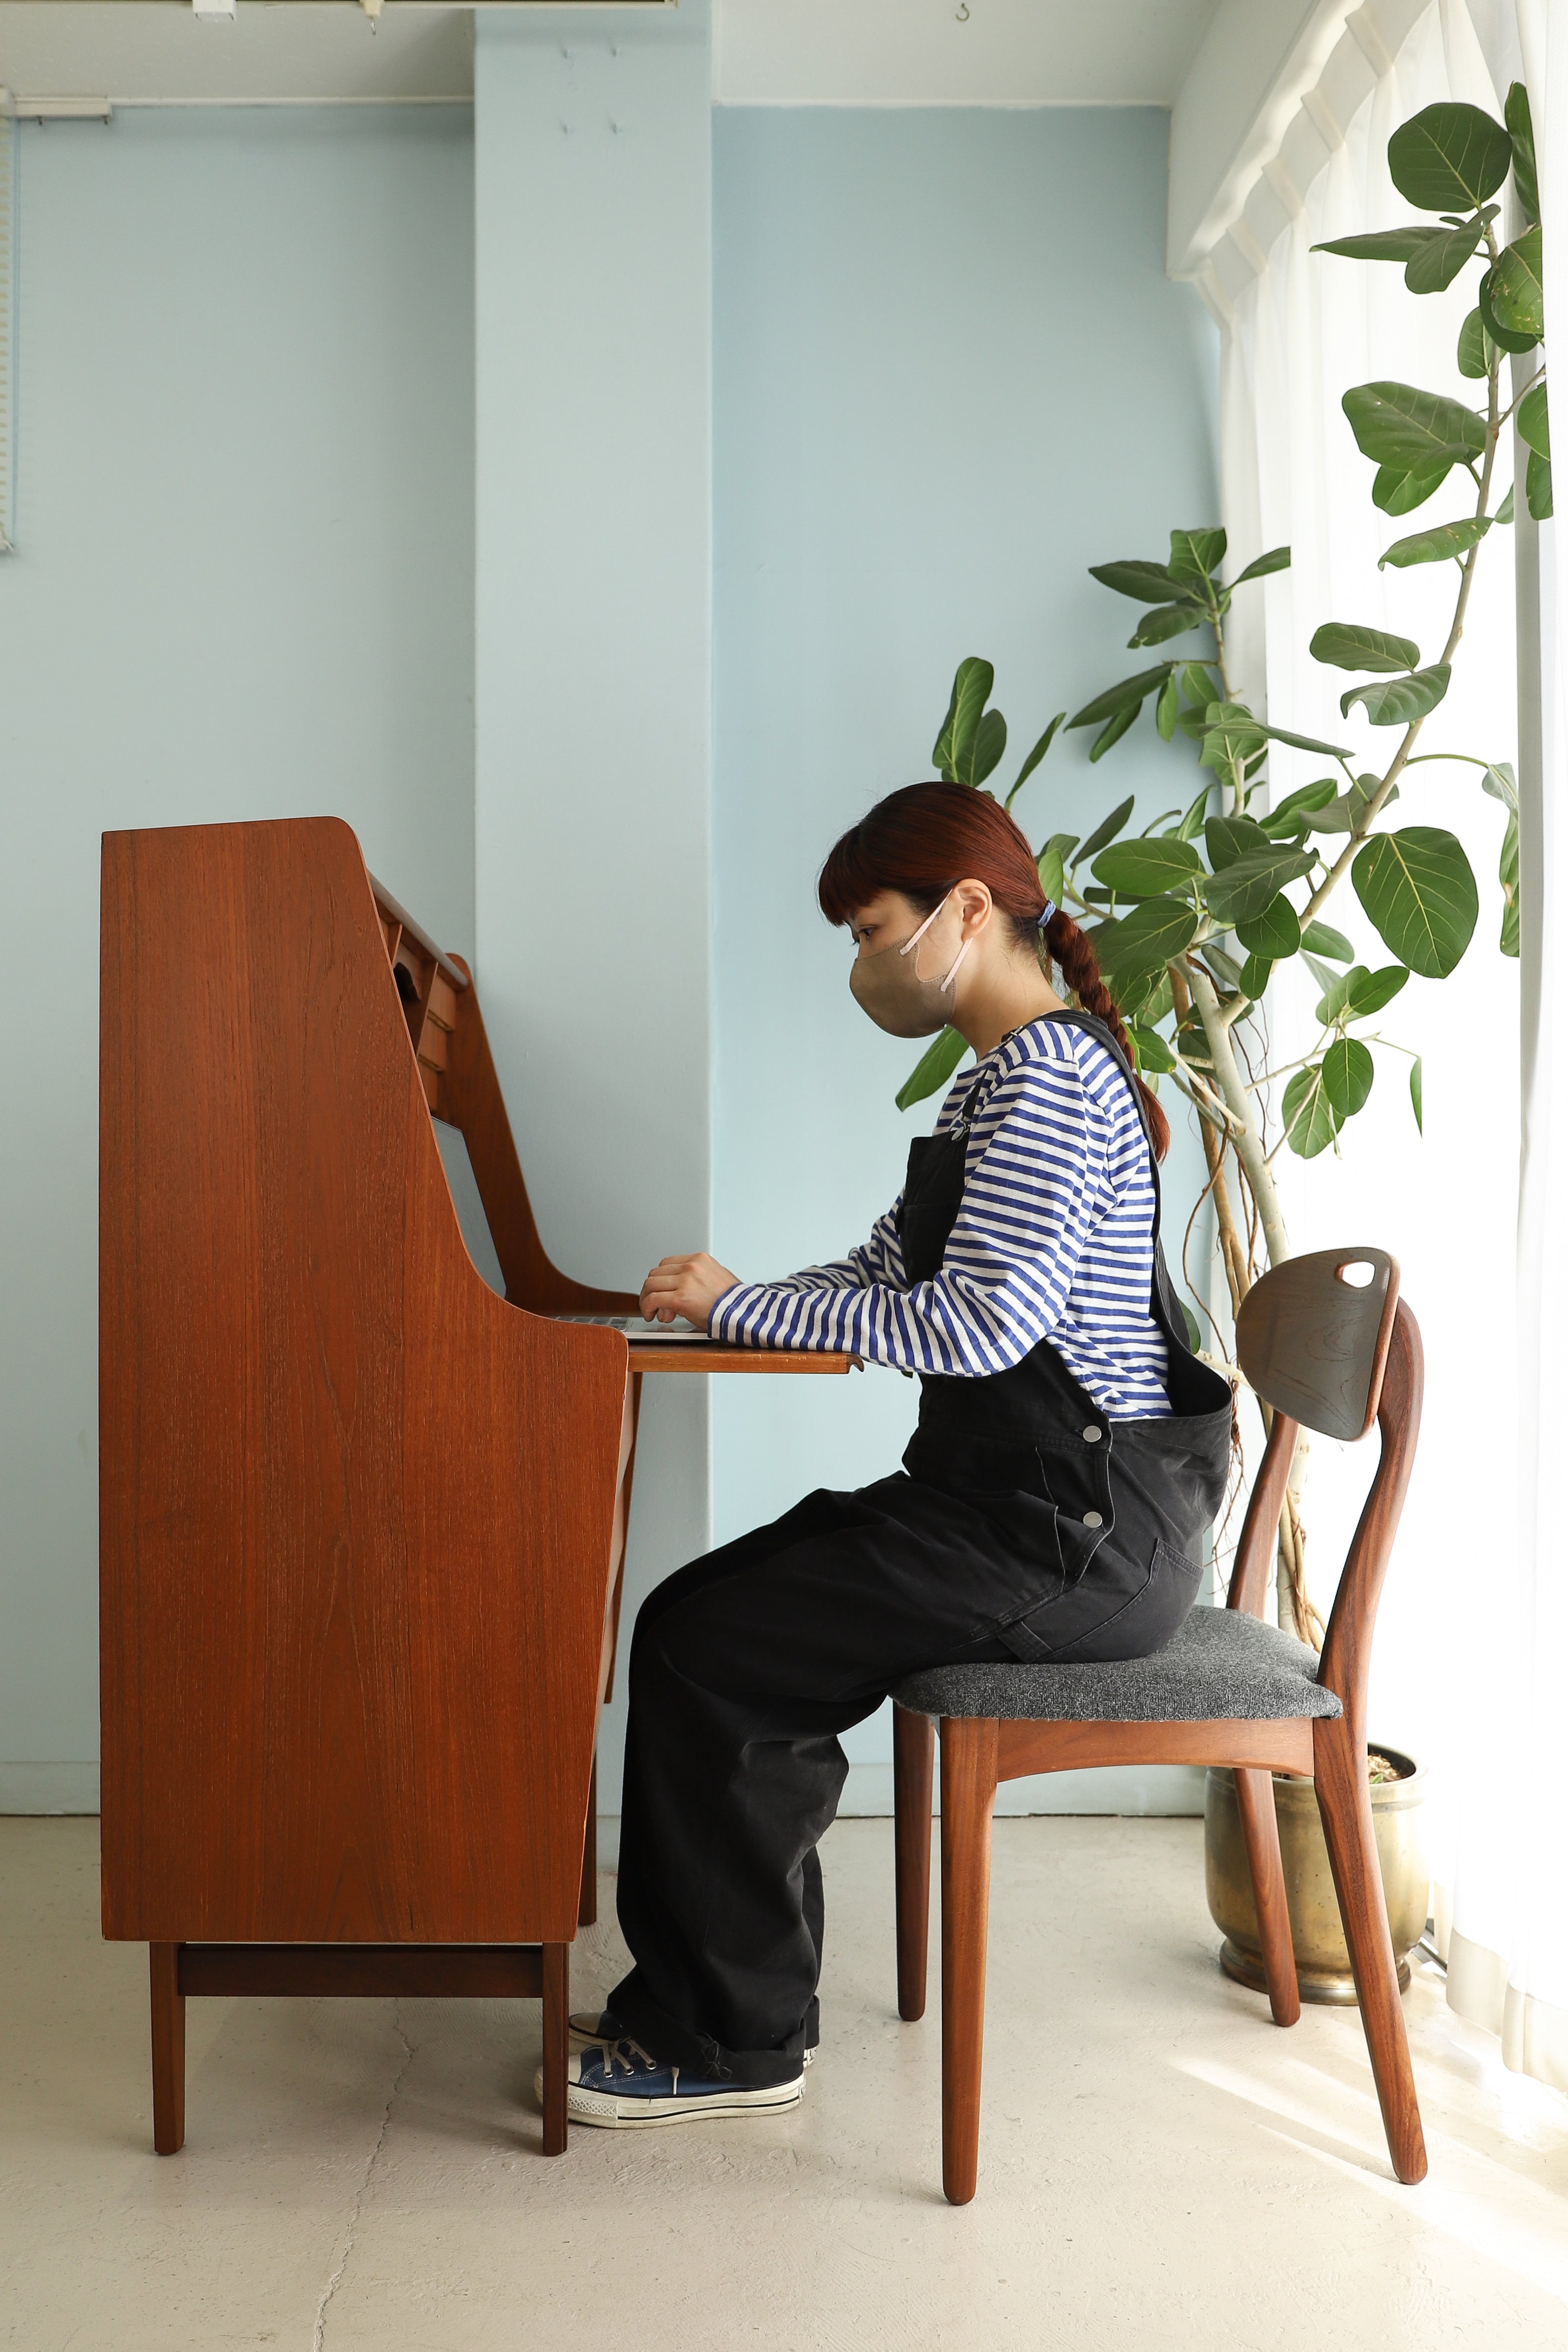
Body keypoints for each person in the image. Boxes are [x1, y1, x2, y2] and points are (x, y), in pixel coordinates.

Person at [542, 780, 1233, 2129]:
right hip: (1018, 1508)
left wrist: (740, 1307)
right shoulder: (1012, 1078)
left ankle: (731, 2039)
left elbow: (981, 1324)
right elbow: (889, 1267)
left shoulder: (1046, 1080)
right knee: (692, 1615)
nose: (863, 963)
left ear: (966, 912)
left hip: (1065, 1535)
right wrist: (720, 1308)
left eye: (871, 931)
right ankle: (698, 1994)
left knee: (712, 1645)